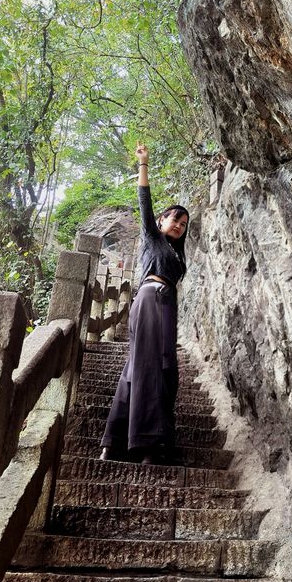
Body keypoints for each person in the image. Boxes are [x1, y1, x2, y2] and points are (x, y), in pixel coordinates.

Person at [100, 141, 189, 465]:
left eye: (183, 224)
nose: (178, 225)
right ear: (162, 221)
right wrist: (143, 165)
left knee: (142, 368)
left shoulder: (177, 257)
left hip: (165, 305)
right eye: (174, 219)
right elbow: (144, 202)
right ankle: (147, 445)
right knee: (154, 367)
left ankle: (114, 442)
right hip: (151, 299)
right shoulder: (152, 239)